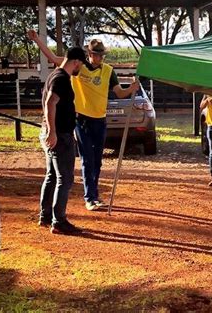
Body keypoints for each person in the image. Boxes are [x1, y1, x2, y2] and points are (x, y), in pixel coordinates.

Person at [28, 30, 139, 211]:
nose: (99, 58)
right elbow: (55, 59)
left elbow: (119, 92)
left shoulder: (109, 71)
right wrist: (37, 40)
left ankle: (94, 194)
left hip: (100, 120)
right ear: (89, 55)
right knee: (87, 159)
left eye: (102, 55)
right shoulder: (79, 68)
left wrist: (132, 88)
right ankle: (90, 197)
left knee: (97, 160)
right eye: (96, 55)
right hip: (82, 120)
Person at [39, 47, 86, 234]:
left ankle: (46, 215)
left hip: (53, 133)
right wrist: (53, 131)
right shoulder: (61, 79)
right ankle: (58, 221)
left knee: (52, 175)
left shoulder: (54, 75)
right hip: (59, 135)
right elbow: (50, 102)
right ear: (75, 62)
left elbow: (49, 103)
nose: (80, 68)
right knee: (64, 178)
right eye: (81, 64)